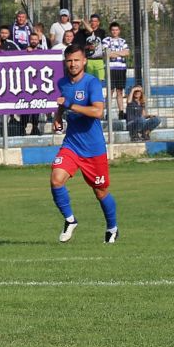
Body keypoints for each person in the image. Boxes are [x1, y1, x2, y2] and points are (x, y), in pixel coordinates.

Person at [50, 43, 118, 243]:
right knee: (56, 179)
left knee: (100, 191)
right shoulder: (62, 82)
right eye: (69, 60)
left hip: (93, 148)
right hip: (72, 144)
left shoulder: (92, 83)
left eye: (76, 60)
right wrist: (58, 116)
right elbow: (63, 102)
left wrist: (71, 105)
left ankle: (112, 227)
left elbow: (98, 112)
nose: (73, 64)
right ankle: (70, 220)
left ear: (84, 61)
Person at [102, 22, 131, 93]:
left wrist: (113, 53)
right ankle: (108, 104)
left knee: (120, 91)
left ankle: (120, 105)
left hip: (121, 68)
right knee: (110, 91)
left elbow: (127, 53)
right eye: (113, 30)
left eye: (116, 30)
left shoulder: (123, 41)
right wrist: (121, 53)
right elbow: (107, 54)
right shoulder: (106, 40)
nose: (115, 32)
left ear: (119, 31)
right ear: (110, 31)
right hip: (110, 68)